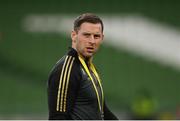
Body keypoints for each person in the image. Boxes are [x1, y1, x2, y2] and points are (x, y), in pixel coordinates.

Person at [47, 13, 118, 120]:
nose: (92, 41)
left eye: (96, 36)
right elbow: (58, 117)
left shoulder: (89, 68)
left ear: (102, 38)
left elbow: (102, 111)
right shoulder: (68, 68)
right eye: (86, 35)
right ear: (74, 35)